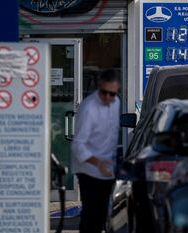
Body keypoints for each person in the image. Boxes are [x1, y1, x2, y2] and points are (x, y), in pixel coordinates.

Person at [71, 69, 120, 233]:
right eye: (104, 92)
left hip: (107, 167)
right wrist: (98, 164)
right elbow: (78, 145)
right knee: (90, 214)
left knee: (101, 215)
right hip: (89, 168)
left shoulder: (116, 103)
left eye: (112, 94)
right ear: (99, 87)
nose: (107, 97)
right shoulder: (88, 108)